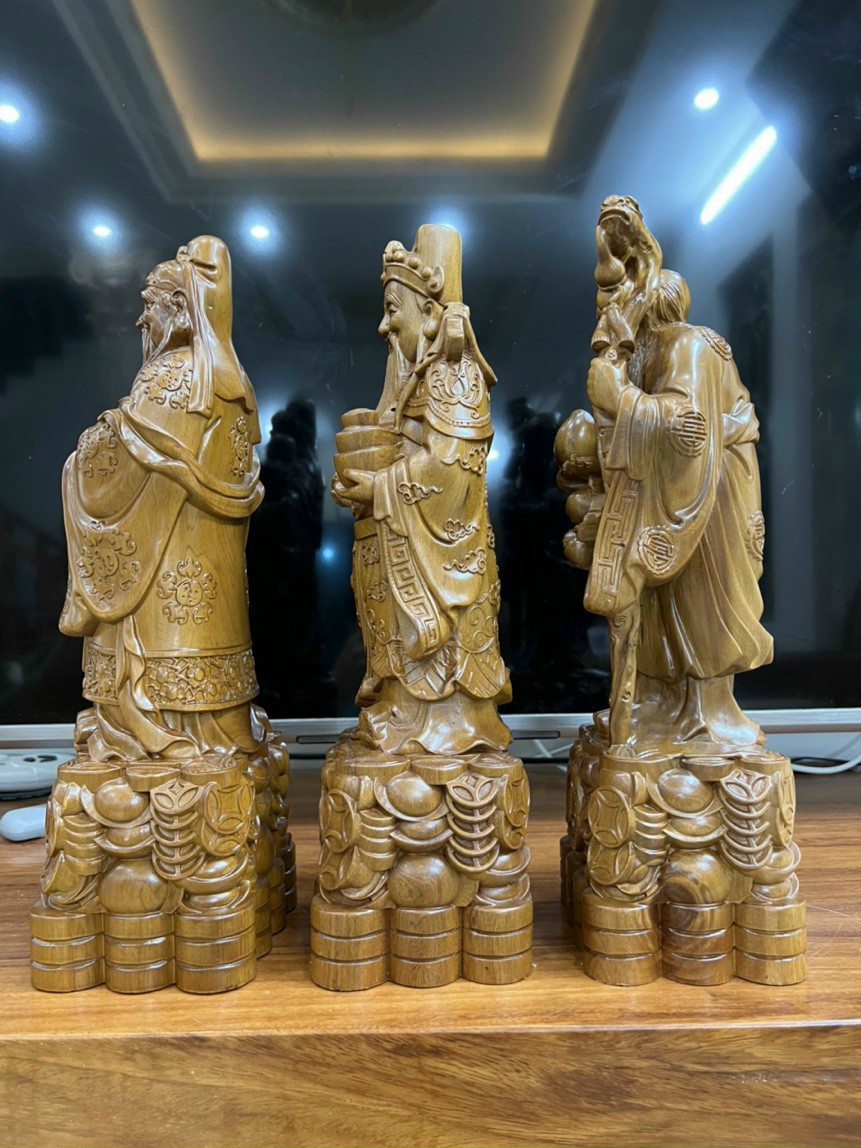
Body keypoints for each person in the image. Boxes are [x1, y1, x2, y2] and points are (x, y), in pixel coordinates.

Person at [59, 235, 271, 760]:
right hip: (205, 574)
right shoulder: (231, 380)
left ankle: (154, 725)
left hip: (166, 574)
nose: (141, 320)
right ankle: (212, 730)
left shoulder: (175, 377)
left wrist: (84, 452)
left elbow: (117, 463)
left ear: (179, 309)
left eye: (149, 306)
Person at [577, 196, 771, 749]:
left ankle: (707, 716)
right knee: (658, 606)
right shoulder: (647, 354)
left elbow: (690, 428)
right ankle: (659, 703)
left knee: (701, 606)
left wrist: (622, 400)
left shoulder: (686, 345)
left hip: (709, 498)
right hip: (676, 491)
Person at [332, 225, 510, 754]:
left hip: (445, 552)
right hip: (400, 542)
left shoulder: (454, 374)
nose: (385, 324)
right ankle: (402, 713)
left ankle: (446, 727)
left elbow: (452, 474)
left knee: (442, 662)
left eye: (394, 309)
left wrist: (380, 488)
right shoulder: (413, 376)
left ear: (430, 313)